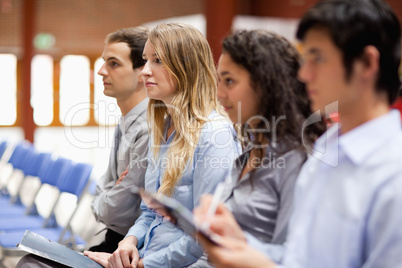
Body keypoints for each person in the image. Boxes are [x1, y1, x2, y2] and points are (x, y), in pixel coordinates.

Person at [196, 0, 402, 267]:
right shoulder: (325, 150)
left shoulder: (392, 174)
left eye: (317, 58)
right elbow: (299, 257)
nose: (304, 74)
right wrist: (241, 243)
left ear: (366, 63)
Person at [84, 23, 241, 268]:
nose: (145, 71)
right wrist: (129, 241)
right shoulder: (164, 128)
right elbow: (151, 212)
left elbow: (204, 235)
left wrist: (145, 264)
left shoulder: (213, 134)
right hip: (149, 254)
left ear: (186, 67)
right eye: (146, 60)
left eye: (158, 61)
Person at [15, 27, 150, 267]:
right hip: (114, 240)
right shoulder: (126, 121)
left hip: (133, 250)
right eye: (103, 62)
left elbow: (118, 212)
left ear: (142, 72)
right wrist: (109, 195)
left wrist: (106, 198)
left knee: (30, 265)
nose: (101, 71)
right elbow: (104, 189)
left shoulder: (148, 129)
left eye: (114, 64)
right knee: (31, 260)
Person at [189, 30, 325, 267]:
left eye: (229, 81)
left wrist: (239, 242)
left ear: (266, 84)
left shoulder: (296, 159)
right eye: (219, 81)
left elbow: (295, 257)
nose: (220, 94)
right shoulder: (248, 151)